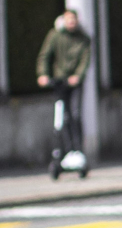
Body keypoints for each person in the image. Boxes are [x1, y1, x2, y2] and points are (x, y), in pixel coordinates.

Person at [34, 8, 94, 153]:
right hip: (59, 81)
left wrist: (78, 76)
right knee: (61, 117)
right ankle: (64, 150)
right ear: (64, 20)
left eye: (73, 19)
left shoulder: (83, 38)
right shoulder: (55, 35)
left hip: (74, 83)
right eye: (68, 19)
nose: (71, 22)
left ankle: (78, 149)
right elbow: (45, 56)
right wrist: (43, 74)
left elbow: (85, 60)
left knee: (75, 113)